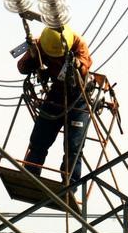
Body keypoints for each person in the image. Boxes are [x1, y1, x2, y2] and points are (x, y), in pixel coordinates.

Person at [17, 25, 93, 186]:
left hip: (78, 99)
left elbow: (86, 66)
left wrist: (77, 64)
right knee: (39, 140)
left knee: (73, 147)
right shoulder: (42, 44)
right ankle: (30, 176)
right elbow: (22, 67)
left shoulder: (78, 43)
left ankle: (69, 185)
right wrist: (32, 55)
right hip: (55, 96)